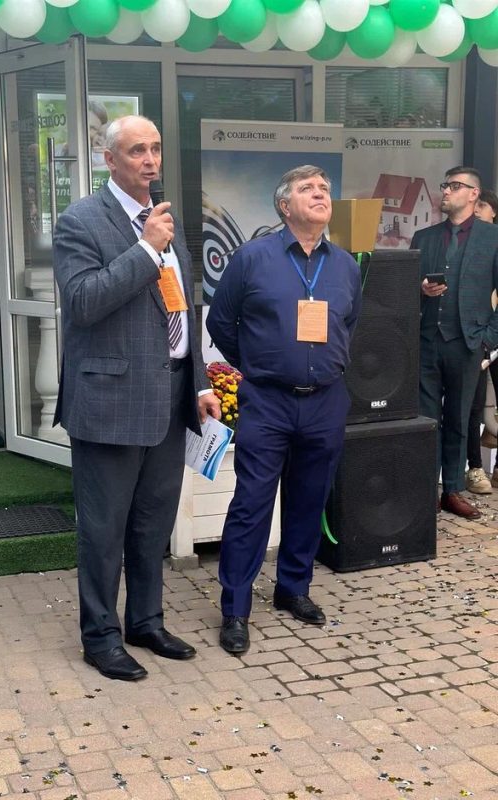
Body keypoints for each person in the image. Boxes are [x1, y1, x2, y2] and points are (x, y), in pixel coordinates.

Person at [52, 115, 220, 681]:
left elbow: (181, 310)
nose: (150, 160)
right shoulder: (81, 221)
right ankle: (100, 638)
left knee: (152, 525)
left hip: (170, 399)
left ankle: (145, 621)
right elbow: (83, 302)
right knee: (103, 532)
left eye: (155, 149)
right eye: (136, 151)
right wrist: (146, 250)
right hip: (111, 402)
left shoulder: (165, 220)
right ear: (110, 160)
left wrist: (199, 381)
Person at [206, 165, 362, 655]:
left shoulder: (346, 266)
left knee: (310, 500)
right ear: (284, 205)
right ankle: (235, 607)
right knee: (252, 504)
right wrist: (258, 364)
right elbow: (220, 322)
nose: (320, 194)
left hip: (325, 400)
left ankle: (293, 588)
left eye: (324, 189)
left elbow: (348, 325)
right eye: (307, 189)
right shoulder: (252, 258)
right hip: (268, 400)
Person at [412, 168, 498, 520]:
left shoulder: (493, 238)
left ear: (474, 194)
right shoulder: (424, 237)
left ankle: (452, 490)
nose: (446, 191)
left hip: (468, 341)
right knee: (427, 420)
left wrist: (489, 339)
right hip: (427, 340)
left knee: (460, 419)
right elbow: (403, 288)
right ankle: (425, 491)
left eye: (454, 186)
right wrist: (421, 289)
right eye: (445, 185)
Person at [466, 189, 498, 493]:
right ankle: (475, 468)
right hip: (478, 338)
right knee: (473, 406)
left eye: (483, 205)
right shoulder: (466, 246)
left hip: (493, 335)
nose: (476, 210)